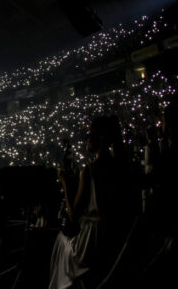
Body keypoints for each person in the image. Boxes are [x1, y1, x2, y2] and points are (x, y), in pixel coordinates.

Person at [49, 116, 139, 288]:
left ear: (101, 137)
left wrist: (65, 185)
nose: (86, 138)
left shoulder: (90, 170)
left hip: (93, 243)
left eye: (90, 134)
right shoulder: (124, 167)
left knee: (61, 241)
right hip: (116, 237)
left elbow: (74, 215)